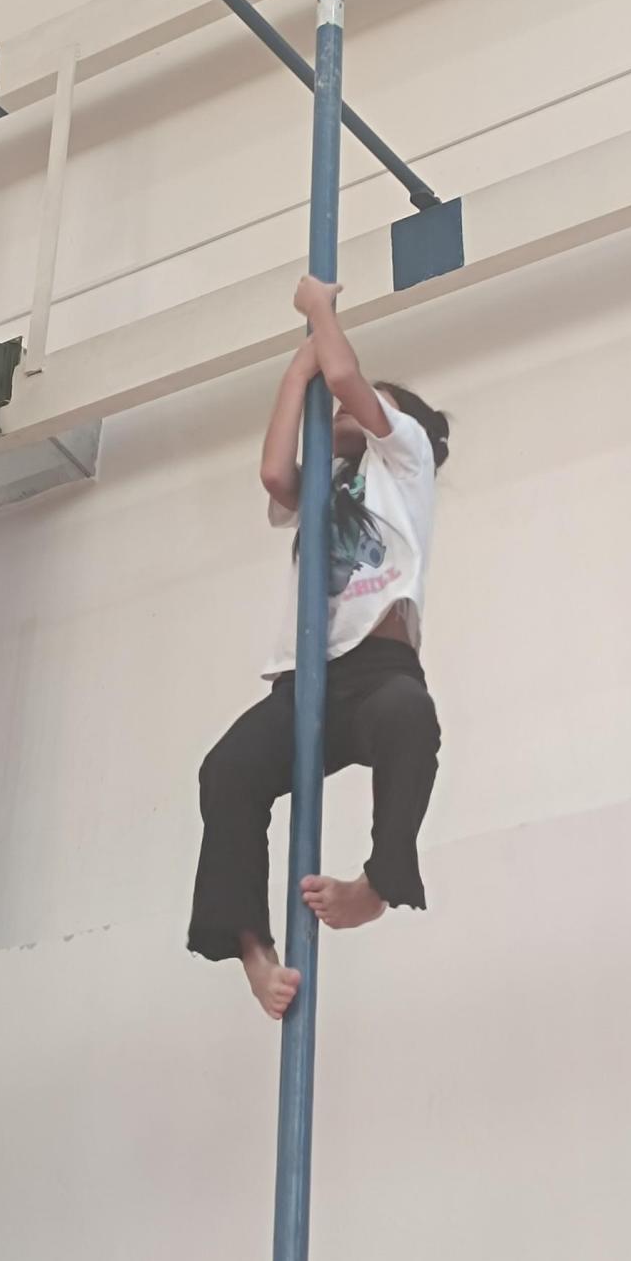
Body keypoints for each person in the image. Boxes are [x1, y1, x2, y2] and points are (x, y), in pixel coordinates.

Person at [189, 273, 450, 1018]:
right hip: (306, 678)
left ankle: (378, 884)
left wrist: (317, 313)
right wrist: (299, 359)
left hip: (378, 669)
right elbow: (274, 470)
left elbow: (343, 375)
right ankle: (254, 951)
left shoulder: (406, 462)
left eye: (363, 406)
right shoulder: (327, 484)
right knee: (227, 772)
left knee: (409, 719)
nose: (340, 411)